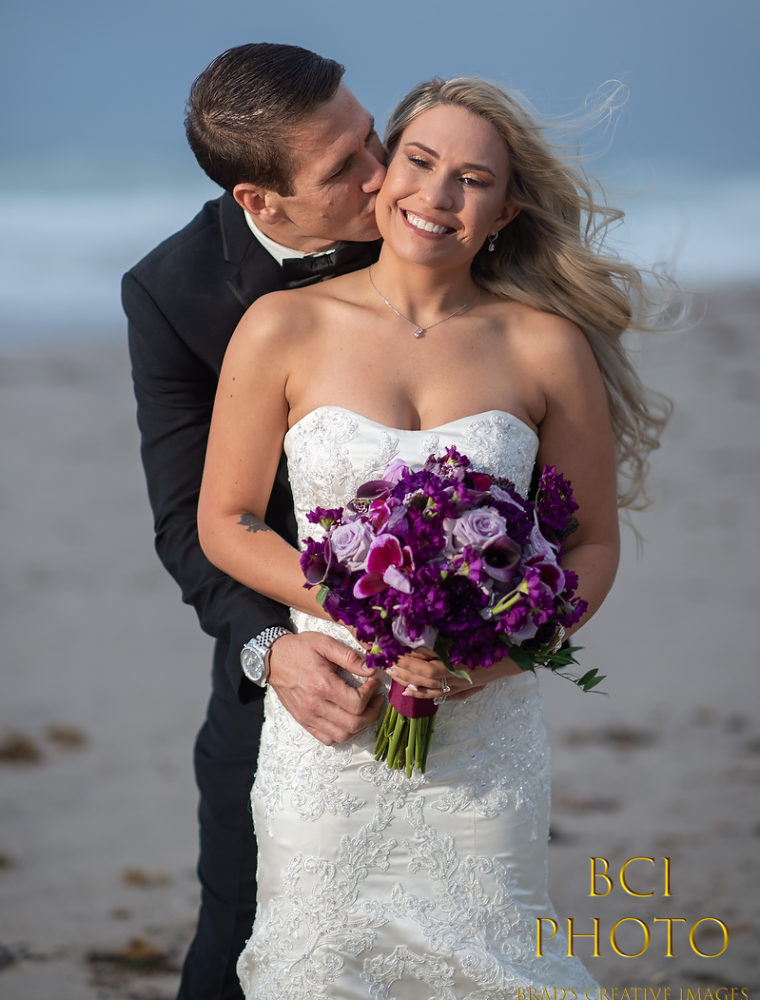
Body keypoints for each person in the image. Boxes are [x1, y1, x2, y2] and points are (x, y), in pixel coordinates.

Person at [197, 76, 670, 997]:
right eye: (418, 161)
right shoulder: (282, 326)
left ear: (505, 211)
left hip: (484, 743)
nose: (437, 196)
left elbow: (591, 548)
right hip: (331, 728)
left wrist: (495, 655)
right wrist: (358, 603)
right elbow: (227, 520)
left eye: (473, 180)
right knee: (317, 970)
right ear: (382, 168)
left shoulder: (545, 346)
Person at [122, 42, 395, 1000]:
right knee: (238, 943)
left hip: (457, 662)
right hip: (276, 660)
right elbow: (182, 519)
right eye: (343, 169)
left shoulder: (428, 220)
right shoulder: (171, 292)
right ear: (259, 201)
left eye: (373, 135)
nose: (383, 173)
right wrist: (267, 649)